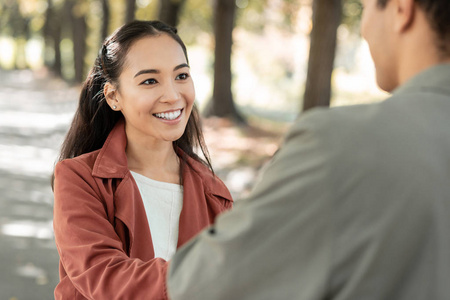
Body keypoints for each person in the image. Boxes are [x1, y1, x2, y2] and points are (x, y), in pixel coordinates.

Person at [167, 0, 450, 299]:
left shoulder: (339, 144)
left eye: (365, 5)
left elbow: (199, 284)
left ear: (401, 10)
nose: (364, 29)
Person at [52, 20, 232, 300]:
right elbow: (105, 278)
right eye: (150, 81)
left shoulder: (214, 193)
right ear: (113, 96)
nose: (172, 96)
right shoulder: (78, 179)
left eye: (181, 76)